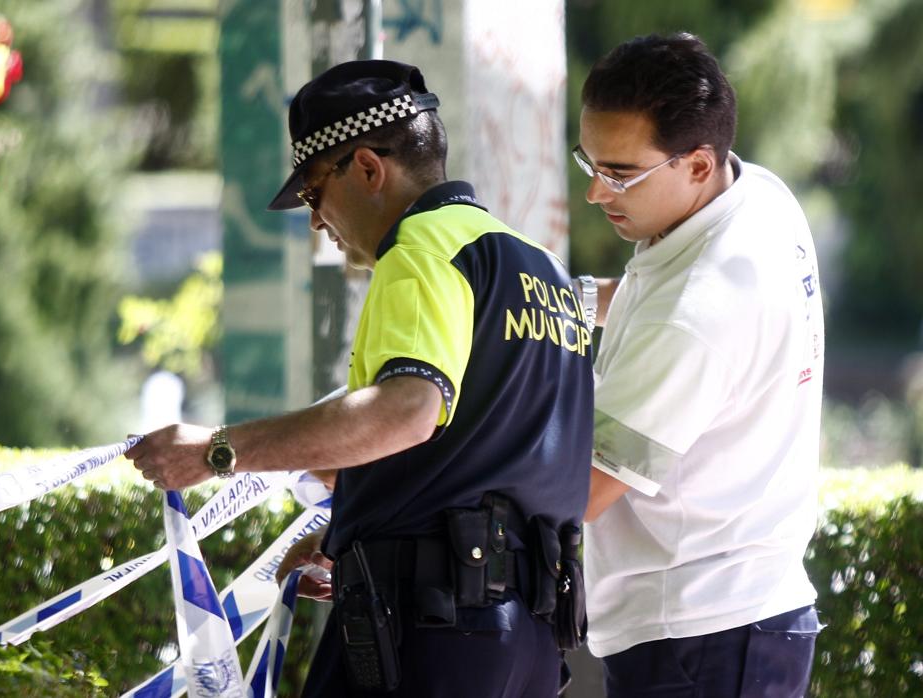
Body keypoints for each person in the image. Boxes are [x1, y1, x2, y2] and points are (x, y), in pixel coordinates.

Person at [126, 59, 593, 697]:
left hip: (433, 633)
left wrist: (218, 450)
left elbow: (407, 411)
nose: (317, 222)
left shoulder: (423, 250)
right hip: (530, 640)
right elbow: (479, 457)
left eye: (315, 193)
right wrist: (349, 534)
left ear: (369, 168)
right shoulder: (541, 267)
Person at [571, 33, 825, 697]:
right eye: (589, 163)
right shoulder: (759, 197)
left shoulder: (694, 316)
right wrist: (547, 303)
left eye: (621, 172)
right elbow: (655, 300)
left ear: (699, 165)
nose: (597, 193)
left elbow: (582, 491)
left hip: (699, 641)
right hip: (744, 618)